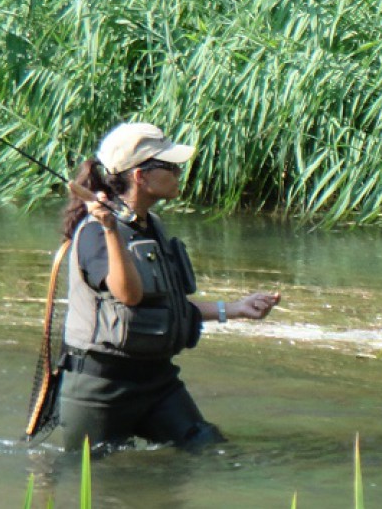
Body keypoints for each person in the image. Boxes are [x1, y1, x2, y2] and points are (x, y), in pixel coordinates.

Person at [57, 122, 280, 455]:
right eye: (170, 166)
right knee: (94, 481)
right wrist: (109, 230)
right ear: (140, 176)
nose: (179, 172)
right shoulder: (94, 233)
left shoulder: (152, 226)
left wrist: (234, 309)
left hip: (157, 381)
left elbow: (164, 305)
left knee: (211, 452)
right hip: (101, 386)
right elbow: (128, 296)